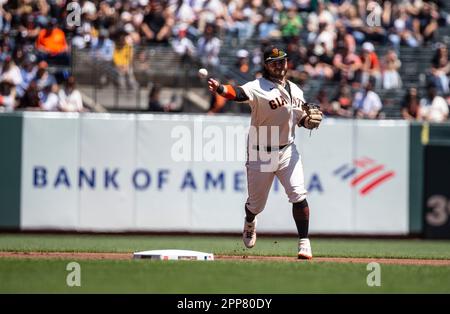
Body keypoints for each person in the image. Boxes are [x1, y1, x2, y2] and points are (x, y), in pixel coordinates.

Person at [206, 45, 323, 259]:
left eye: (282, 61)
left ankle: (304, 242)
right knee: (255, 205)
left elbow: (301, 119)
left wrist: (308, 121)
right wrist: (221, 89)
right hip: (262, 152)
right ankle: (250, 221)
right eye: (274, 62)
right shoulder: (257, 86)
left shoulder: (296, 90)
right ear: (266, 65)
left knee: (298, 195)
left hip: (288, 149)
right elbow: (238, 93)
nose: (279, 65)